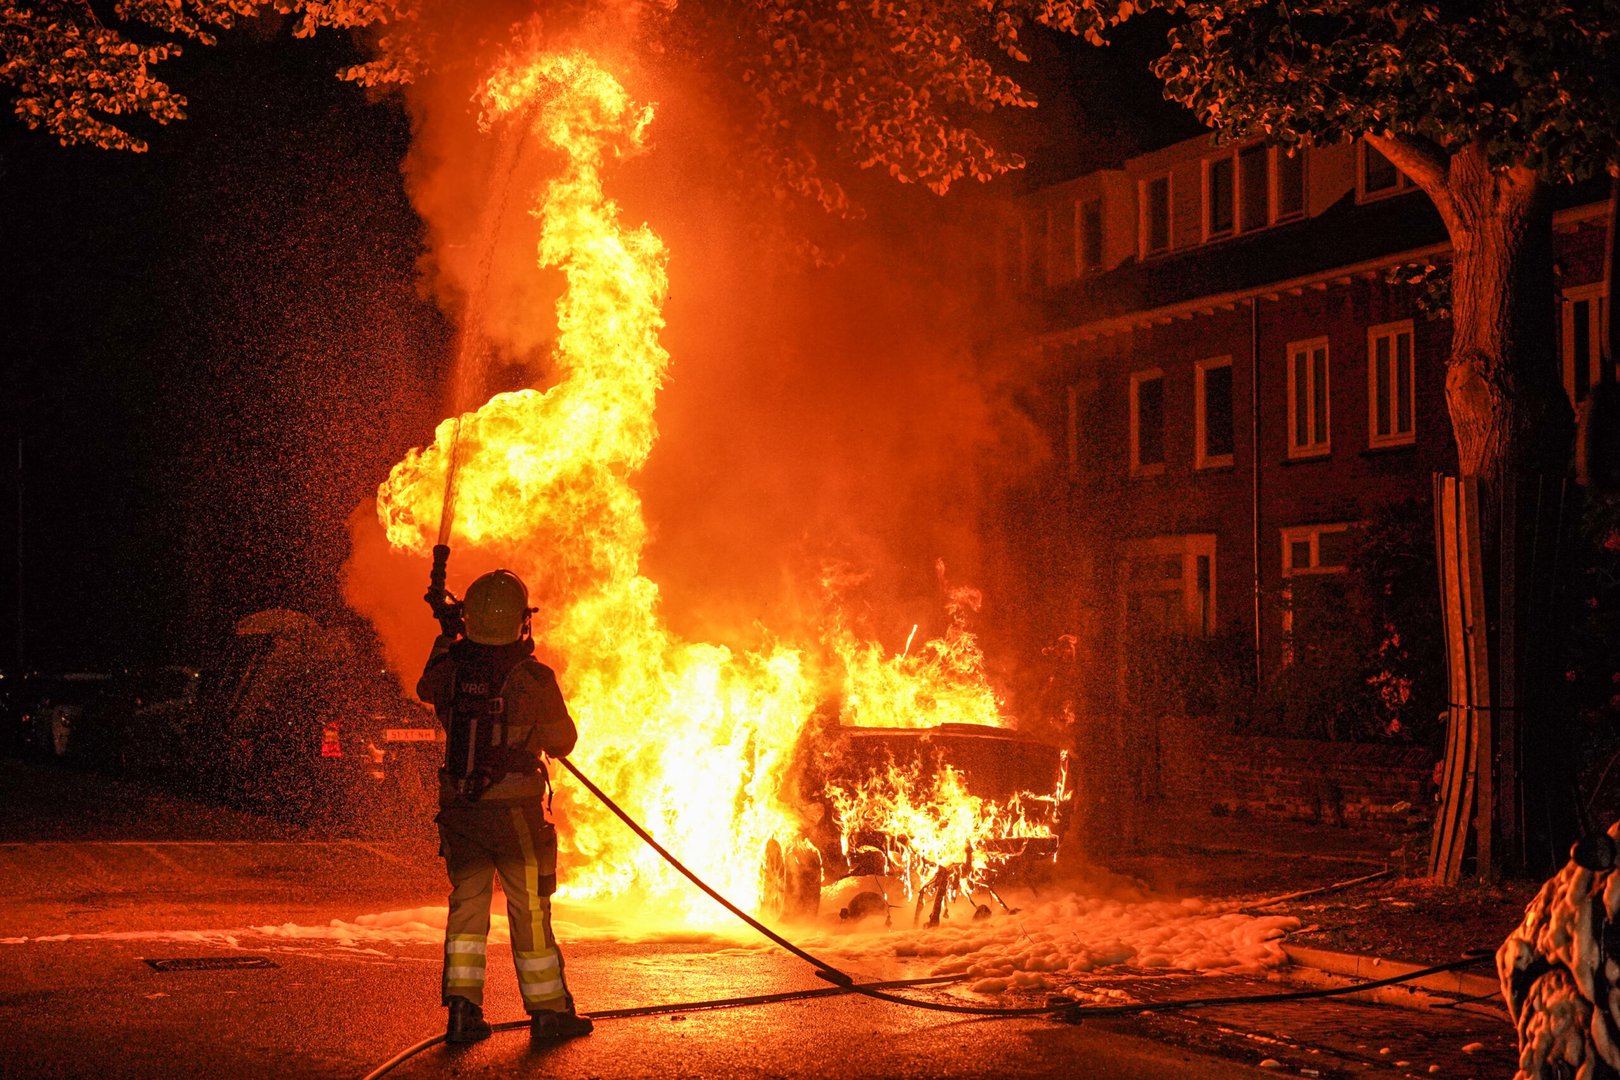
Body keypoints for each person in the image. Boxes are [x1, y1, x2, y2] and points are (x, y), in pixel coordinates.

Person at [417, 568, 593, 1044]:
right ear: (521, 622)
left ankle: (461, 1011)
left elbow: (425, 686)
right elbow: (563, 742)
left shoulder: (450, 669)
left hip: (460, 811)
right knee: (529, 911)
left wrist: (447, 635)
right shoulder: (532, 678)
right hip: (515, 814)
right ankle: (549, 1013)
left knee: (467, 909)